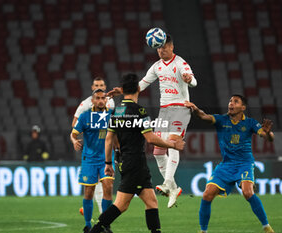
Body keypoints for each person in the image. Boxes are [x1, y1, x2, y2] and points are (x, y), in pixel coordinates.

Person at [108, 34, 197, 208]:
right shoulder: (156, 67)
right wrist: (123, 91)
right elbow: (142, 84)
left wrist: (190, 80)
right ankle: (172, 187)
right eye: (158, 48)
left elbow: (193, 80)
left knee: (172, 141)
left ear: (171, 46)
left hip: (180, 107)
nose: (161, 50)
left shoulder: (180, 63)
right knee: (157, 152)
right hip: (164, 110)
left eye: (164, 47)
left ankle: (168, 182)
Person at [89, 73, 185, 233]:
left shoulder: (118, 111)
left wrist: (108, 164)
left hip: (124, 160)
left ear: (123, 89)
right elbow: (150, 138)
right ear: (139, 89)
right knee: (121, 205)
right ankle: (96, 230)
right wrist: (172, 144)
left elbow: (108, 139)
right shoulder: (139, 111)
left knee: (151, 202)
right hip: (136, 164)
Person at [184, 95, 275, 233]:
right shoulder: (221, 120)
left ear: (243, 107)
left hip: (244, 163)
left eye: (235, 101)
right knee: (207, 195)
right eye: (230, 101)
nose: (231, 103)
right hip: (226, 165)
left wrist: (268, 134)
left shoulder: (250, 123)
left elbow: (266, 136)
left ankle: (266, 227)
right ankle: (203, 231)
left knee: (247, 192)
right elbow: (204, 116)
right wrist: (195, 109)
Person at [70, 89, 114, 233]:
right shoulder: (85, 116)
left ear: (106, 100)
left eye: (103, 98)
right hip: (89, 159)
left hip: (106, 159)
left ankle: (104, 224)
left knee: (108, 187)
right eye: (98, 98)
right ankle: (88, 225)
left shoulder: (111, 115)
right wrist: (74, 141)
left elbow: (118, 136)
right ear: (93, 101)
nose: (101, 100)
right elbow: (73, 133)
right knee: (89, 192)